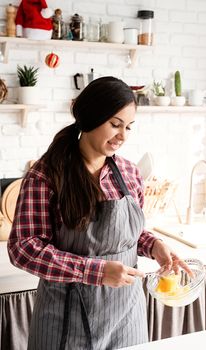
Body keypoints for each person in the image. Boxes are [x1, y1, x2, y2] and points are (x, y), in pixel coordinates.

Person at [8, 76, 191, 350]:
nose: (123, 136)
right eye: (115, 125)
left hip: (127, 318)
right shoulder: (45, 175)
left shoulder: (129, 173)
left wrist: (155, 246)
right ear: (91, 118)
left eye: (129, 127)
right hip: (65, 322)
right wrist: (96, 272)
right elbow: (24, 249)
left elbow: (130, 234)